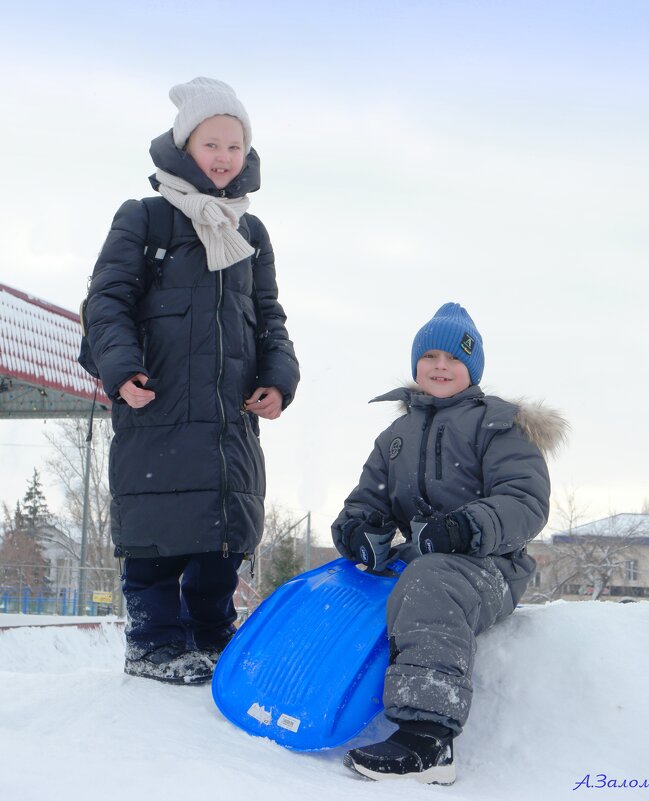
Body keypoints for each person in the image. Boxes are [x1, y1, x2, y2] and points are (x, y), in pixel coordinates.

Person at [82, 77, 300, 684]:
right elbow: (106, 302)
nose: (225, 156)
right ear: (185, 147)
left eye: (235, 144)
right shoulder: (146, 219)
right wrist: (121, 371)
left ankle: (211, 635)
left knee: (221, 540)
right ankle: (152, 643)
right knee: (158, 536)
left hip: (230, 418)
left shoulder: (250, 234)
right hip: (158, 406)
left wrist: (278, 380)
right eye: (213, 144)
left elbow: (269, 316)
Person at [332, 302, 567, 784]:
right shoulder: (395, 435)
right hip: (422, 561)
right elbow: (364, 501)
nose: (441, 366)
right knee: (349, 583)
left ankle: (428, 742)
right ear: (417, 363)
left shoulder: (500, 425)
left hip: (489, 567)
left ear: (473, 368)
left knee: (430, 580)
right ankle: (315, 693)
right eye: (431, 356)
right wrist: (359, 533)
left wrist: (466, 527)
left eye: (455, 358)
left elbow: (525, 502)